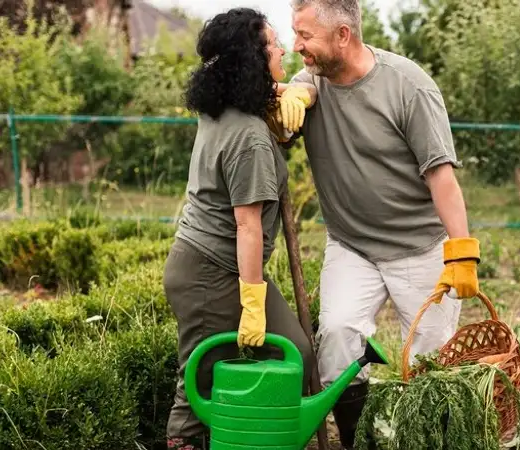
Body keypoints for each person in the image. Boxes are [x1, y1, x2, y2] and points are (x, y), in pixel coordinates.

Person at [286, 0, 483, 447]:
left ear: (343, 36)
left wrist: (462, 251)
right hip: (352, 246)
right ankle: (360, 441)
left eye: (305, 36)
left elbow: (441, 176)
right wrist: (291, 96)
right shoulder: (310, 81)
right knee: (336, 339)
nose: (297, 46)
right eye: (293, 34)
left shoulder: (408, 86)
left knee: (430, 366)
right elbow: (294, 91)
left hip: (419, 246)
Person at [162, 8, 317, 450]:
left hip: (205, 265)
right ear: (251, 59)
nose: (282, 48)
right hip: (213, 273)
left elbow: (287, 98)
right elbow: (247, 224)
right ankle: (204, 441)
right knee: (200, 375)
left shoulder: (222, 109)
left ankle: (247, 434)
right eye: (272, 44)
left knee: (293, 352)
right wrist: (252, 302)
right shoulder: (248, 135)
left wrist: (296, 97)